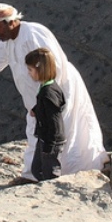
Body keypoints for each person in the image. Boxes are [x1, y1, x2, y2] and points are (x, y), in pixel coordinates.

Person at [0, 3, 108, 182]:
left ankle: (72, 174)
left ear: (10, 22)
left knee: (66, 132)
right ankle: (35, 175)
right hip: (38, 99)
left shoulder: (33, 35)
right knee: (38, 132)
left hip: (58, 93)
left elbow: (53, 68)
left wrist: (45, 102)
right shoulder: (9, 41)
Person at [25, 48, 65, 181]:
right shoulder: (48, 87)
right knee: (37, 169)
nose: (28, 73)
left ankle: (53, 194)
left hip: (50, 141)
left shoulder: (48, 93)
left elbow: (54, 121)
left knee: (50, 173)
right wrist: (36, 110)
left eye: (30, 70)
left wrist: (50, 145)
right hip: (44, 138)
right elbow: (60, 104)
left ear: (40, 70)